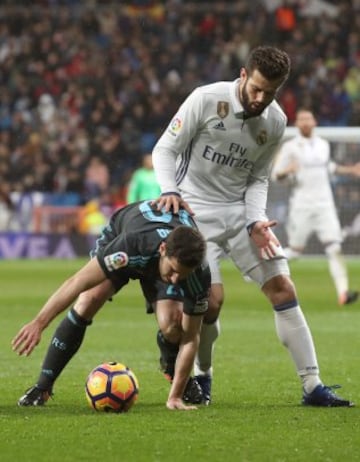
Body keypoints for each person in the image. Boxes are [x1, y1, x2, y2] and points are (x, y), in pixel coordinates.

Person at [150, 45, 354, 407]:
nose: (261, 98)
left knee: (283, 288)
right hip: (196, 215)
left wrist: (257, 219)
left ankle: (312, 385)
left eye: (270, 92)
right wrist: (169, 191)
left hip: (241, 215)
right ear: (243, 75)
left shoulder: (275, 121)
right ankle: (204, 376)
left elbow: (259, 178)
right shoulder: (205, 99)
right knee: (211, 304)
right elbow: (164, 149)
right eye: (256, 88)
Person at [12, 200, 211, 411]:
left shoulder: (198, 275)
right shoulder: (130, 246)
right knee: (89, 299)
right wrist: (39, 323)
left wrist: (174, 398)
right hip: (126, 234)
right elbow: (76, 282)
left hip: (158, 253)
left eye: (182, 275)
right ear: (163, 249)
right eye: (172, 270)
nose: (174, 279)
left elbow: (191, 339)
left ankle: (173, 367)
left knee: (173, 325)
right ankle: (42, 387)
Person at [272, 108, 360, 306]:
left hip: (325, 206)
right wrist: (287, 170)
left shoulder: (323, 145)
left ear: (314, 122)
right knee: (294, 251)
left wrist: (350, 170)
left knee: (335, 247)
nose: (305, 122)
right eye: (301, 119)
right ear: (297, 124)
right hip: (301, 207)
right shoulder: (290, 147)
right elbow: (275, 175)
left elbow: (328, 167)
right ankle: (262, 266)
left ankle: (343, 293)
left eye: (308, 118)